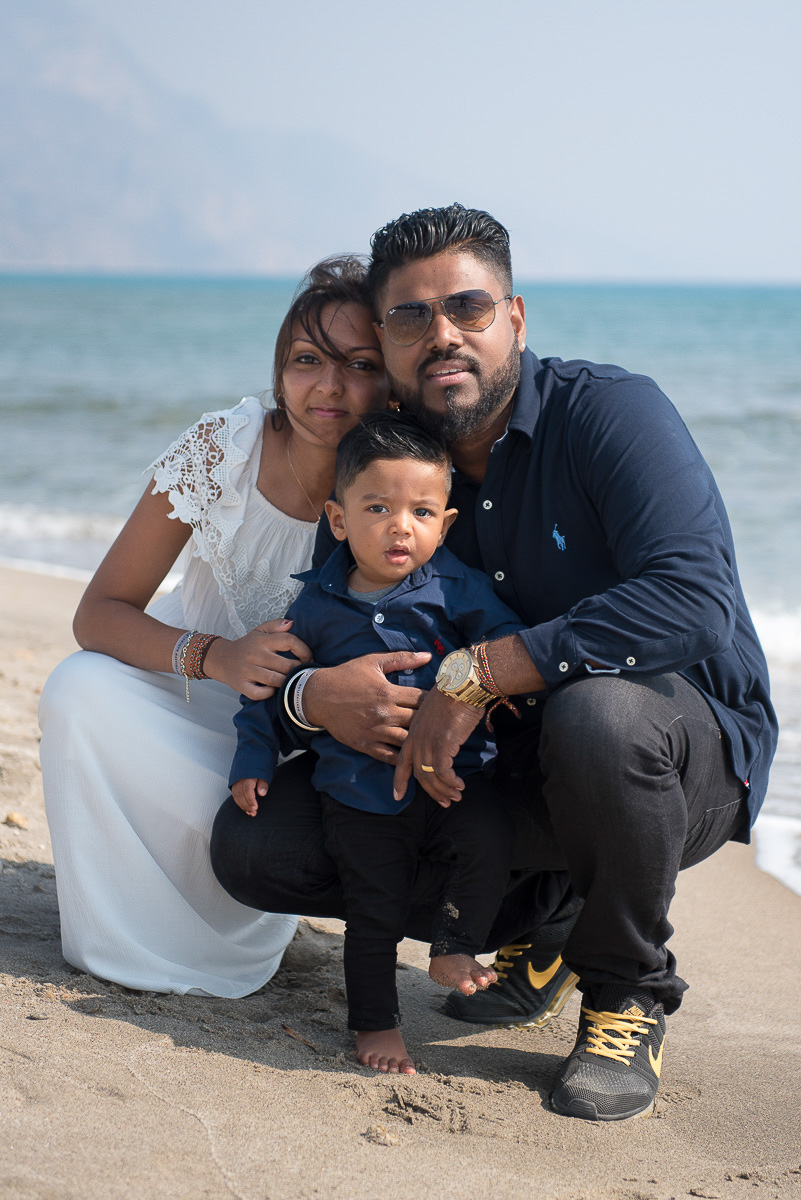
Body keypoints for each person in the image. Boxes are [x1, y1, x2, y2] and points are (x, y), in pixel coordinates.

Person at [211, 204, 777, 1120]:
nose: (442, 335)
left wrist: (480, 670)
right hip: (489, 777)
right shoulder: (393, 464)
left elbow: (695, 601)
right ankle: (543, 921)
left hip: (669, 758)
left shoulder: (608, 412)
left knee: (598, 717)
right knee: (256, 846)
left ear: (513, 317)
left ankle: (625, 994)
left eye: (467, 308)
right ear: (387, 342)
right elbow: (321, 631)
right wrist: (315, 699)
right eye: (410, 317)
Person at [38, 257, 390, 996]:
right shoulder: (220, 449)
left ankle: (228, 928)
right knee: (77, 688)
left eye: (359, 365)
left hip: (285, 740)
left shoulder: (400, 484)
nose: (329, 386)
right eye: (307, 360)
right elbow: (98, 612)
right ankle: (113, 938)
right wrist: (217, 656)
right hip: (184, 693)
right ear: (279, 370)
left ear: (389, 380)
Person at [229, 411, 529, 1073]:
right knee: (372, 908)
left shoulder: (460, 589)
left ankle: (454, 945)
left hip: (454, 778)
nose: (401, 526)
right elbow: (268, 691)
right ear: (338, 521)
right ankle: (376, 1022)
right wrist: (253, 759)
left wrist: (480, 686)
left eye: (422, 512)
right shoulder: (314, 607)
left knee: (488, 840)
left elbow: (509, 647)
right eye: (378, 508)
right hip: (358, 790)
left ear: (446, 523)